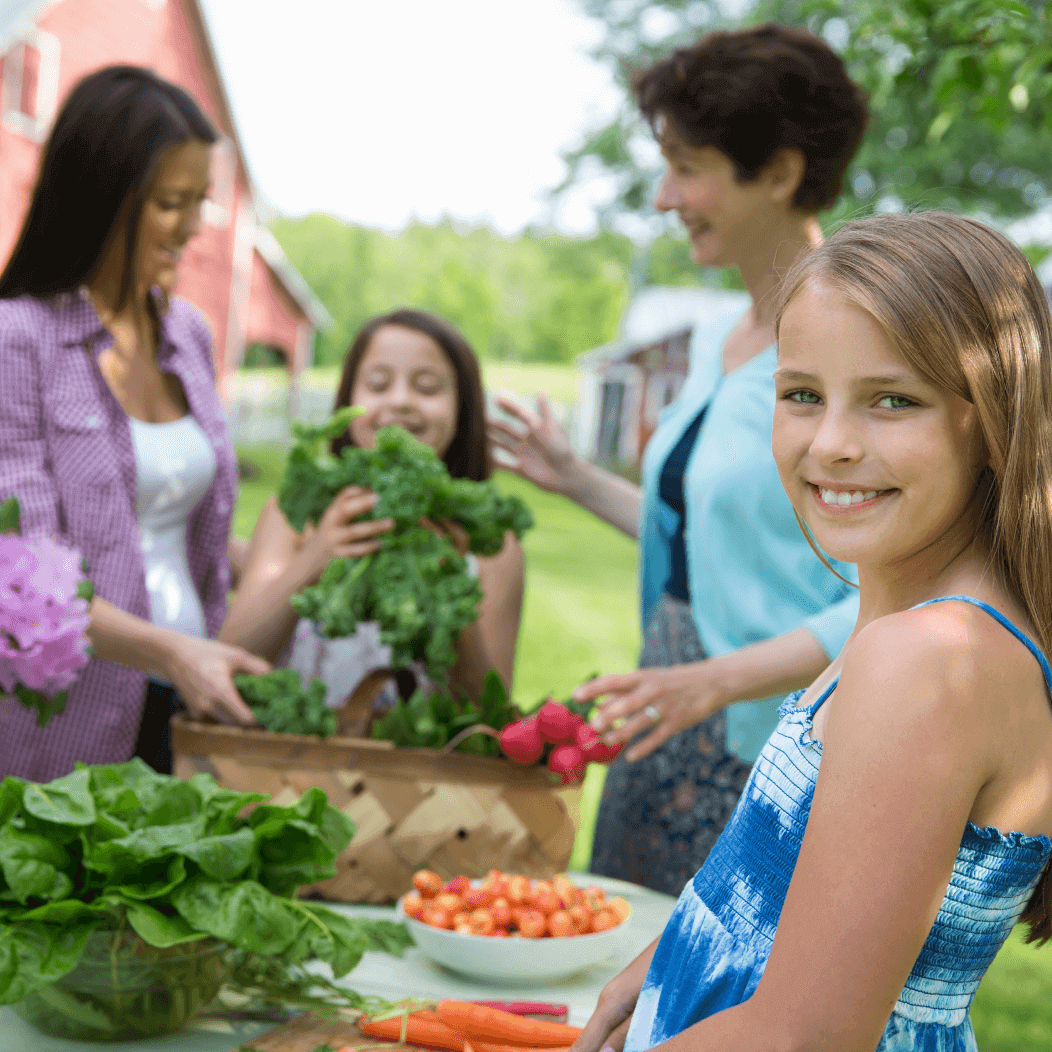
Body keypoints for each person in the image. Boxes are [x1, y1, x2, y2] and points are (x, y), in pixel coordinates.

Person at [571, 210, 1052, 1052]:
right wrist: (674, 948)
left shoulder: (933, 661)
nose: (830, 444)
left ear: (991, 421)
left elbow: (808, 1036)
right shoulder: (905, 622)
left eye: (891, 400)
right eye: (801, 395)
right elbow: (801, 880)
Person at [489, 23, 866, 892]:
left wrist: (715, 683)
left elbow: (907, 592)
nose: (665, 196)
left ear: (776, 171)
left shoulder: (851, 356)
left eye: (688, 167)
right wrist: (574, 478)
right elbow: (712, 541)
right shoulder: (720, 340)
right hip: (667, 719)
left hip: (779, 744)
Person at [0, 66, 269, 782]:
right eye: (169, 202)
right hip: (65, 723)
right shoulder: (17, 341)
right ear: (99, 197)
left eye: (200, 201)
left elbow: (170, 514)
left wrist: (290, 561)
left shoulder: (187, 333)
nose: (192, 228)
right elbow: (20, 577)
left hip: (186, 701)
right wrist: (175, 652)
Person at [221, 308, 525, 711]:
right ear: (347, 402)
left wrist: (451, 597)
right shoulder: (294, 514)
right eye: (378, 384)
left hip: (419, 769)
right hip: (286, 764)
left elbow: (488, 714)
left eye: (428, 387)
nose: (399, 401)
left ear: (462, 408)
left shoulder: (491, 545)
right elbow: (232, 662)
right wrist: (315, 558)